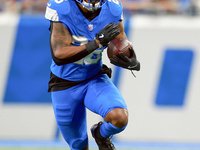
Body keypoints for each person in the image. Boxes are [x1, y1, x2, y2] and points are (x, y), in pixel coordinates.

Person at [45, 0, 140, 149]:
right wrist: (96, 43)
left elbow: (120, 38)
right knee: (79, 145)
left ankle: (101, 135)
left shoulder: (112, 8)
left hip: (94, 77)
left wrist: (127, 54)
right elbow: (59, 55)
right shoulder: (62, 7)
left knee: (119, 118)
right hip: (64, 83)